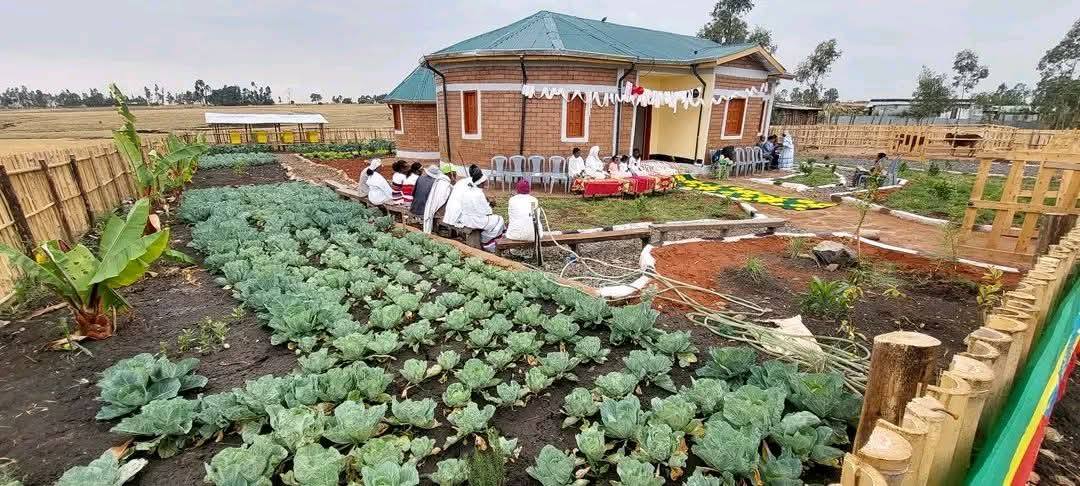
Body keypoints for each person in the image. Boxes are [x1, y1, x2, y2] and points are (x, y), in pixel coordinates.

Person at [443, 164, 505, 251]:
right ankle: (487, 243)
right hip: (461, 215)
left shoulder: (465, 184)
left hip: (457, 213)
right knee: (498, 220)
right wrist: (489, 205)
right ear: (481, 182)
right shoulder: (475, 190)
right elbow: (486, 212)